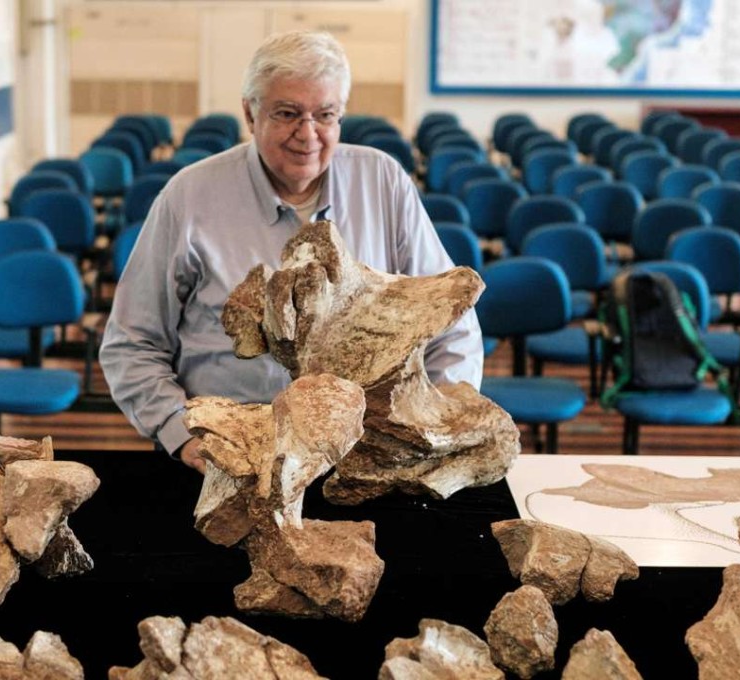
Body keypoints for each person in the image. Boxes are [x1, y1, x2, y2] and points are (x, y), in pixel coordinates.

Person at [100, 30, 484, 473]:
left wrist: (434, 420)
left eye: (325, 115)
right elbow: (132, 342)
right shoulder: (189, 196)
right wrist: (180, 433)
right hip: (229, 453)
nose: (308, 134)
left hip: (364, 454)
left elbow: (452, 326)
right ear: (250, 113)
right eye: (287, 113)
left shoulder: (384, 182)